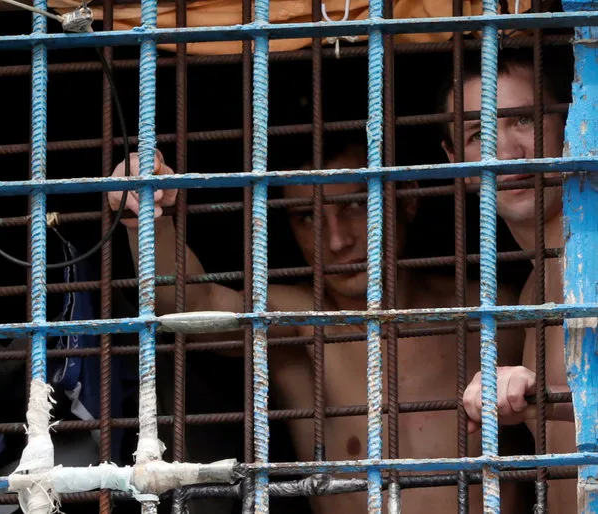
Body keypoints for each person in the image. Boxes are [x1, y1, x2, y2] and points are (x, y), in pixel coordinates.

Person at [108, 134, 525, 513]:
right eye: (307, 217)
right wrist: (147, 217)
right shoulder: (303, 321)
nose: (336, 240)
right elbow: (190, 306)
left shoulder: (495, 311)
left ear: (408, 198)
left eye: (357, 205)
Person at [440, 48, 576, 513]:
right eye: (480, 133)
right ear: (456, 163)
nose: (507, 153)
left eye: (521, 121)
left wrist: (537, 394)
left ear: (570, 124)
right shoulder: (532, 290)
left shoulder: (590, 263)